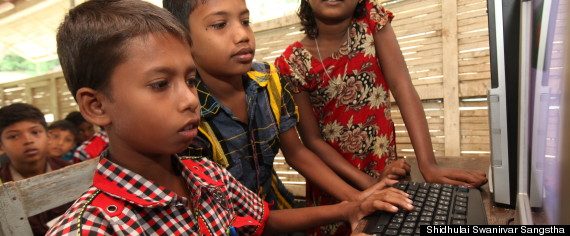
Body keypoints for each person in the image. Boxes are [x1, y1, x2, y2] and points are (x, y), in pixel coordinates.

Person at [47, 0, 412, 235]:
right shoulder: (94, 228)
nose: (189, 99)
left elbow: (261, 220)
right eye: (161, 84)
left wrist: (352, 207)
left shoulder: (206, 176)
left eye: (189, 81)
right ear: (96, 107)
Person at [163, 0, 406, 213]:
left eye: (245, 21)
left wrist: (358, 197)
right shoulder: (186, 115)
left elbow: (297, 153)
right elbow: (225, 216)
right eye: (219, 25)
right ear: (182, 37)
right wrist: (351, 206)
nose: (242, 35)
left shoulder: (270, 81)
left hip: (276, 207)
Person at [274, 0, 488, 234]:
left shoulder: (370, 19)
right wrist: (369, 187)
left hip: (385, 172)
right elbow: (312, 141)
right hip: (334, 188)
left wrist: (428, 165)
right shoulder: (291, 62)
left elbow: (401, 84)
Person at [0, 103, 73, 236]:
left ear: (48, 136)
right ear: (1, 146)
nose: (28, 140)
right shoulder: (2, 182)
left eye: (35, 132)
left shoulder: (71, 172)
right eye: (14, 136)